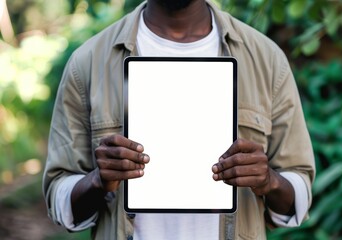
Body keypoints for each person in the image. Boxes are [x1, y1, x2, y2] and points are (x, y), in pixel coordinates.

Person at [42, 0, 316, 239]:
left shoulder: (266, 60)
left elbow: (297, 195)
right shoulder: (88, 63)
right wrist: (98, 181)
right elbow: (60, 199)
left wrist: (269, 181)